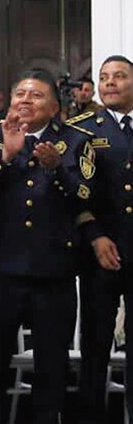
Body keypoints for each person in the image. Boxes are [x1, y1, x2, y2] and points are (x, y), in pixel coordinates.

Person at [0, 68, 95, 424]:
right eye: (20, 94)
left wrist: (56, 169)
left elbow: (86, 196)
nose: (25, 100)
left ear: (54, 107)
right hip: (0, 270)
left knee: (51, 369)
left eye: (36, 95)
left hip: (53, 272)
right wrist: (5, 158)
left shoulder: (76, 140)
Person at [70, 55, 133, 424]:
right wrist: (95, 236)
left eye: (120, 77)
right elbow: (74, 193)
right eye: (104, 77)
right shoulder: (82, 130)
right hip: (101, 254)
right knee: (96, 347)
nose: (110, 83)